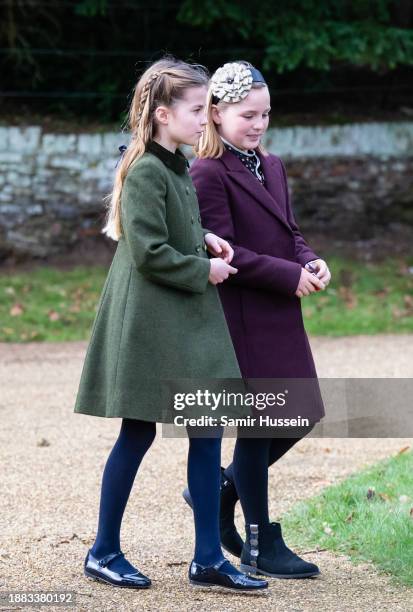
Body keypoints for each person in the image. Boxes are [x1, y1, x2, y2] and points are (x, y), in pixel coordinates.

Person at [74, 57, 268, 593]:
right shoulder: (144, 168)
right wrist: (205, 267)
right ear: (163, 114)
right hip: (150, 322)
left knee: (207, 432)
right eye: (197, 109)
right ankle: (103, 550)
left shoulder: (176, 163)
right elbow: (148, 252)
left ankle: (208, 557)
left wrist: (203, 237)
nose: (207, 118)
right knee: (136, 433)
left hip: (186, 318)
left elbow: (172, 226)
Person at [183, 61, 331, 579]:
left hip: (281, 309)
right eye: (249, 115)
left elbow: (288, 229)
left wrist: (309, 258)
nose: (259, 124)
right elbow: (229, 254)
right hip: (243, 313)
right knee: (260, 425)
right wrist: (287, 274)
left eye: (266, 114)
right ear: (217, 113)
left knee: (300, 413)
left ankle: (221, 487)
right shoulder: (206, 172)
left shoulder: (273, 164)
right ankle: (259, 542)